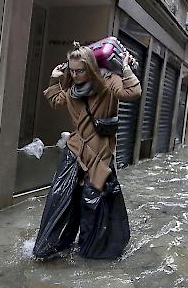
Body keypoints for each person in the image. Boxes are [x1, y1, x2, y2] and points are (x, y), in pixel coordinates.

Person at [32, 42, 141, 260]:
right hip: (75, 150)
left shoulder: (109, 81)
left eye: (80, 70)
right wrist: (55, 78)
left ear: (90, 67)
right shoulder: (71, 87)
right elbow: (55, 101)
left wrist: (126, 68)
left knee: (94, 203)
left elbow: (132, 92)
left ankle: (93, 250)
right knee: (60, 196)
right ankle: (52, 246)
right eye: (72, 70)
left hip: (99, 155)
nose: (75, 74)